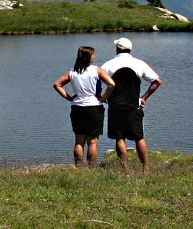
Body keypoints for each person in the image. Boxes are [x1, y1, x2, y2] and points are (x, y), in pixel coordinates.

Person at [102, 38, 162, 173]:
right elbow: (157, 81)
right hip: (134, 105)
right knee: (139, 137)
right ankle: (145, 168)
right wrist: (144, 98)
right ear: (130, 49)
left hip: (115, 106)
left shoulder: (108, 65)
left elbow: (98, 82)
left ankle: (125, 169)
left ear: (117, 49)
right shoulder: (138, 64)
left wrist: (104, 97)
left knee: (119, 137)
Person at [53, 46, 116, 168]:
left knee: (79, 142)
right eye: (93, 55)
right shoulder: (97, 70)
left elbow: (57, 85)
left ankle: (78, 168)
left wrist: (70, 98)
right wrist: (103, 99)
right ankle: (92, 168)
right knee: (92, 142)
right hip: (94, 107)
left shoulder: (72, 72)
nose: (95, 56)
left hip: (77, 107)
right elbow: (112, 84)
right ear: (88, 57)